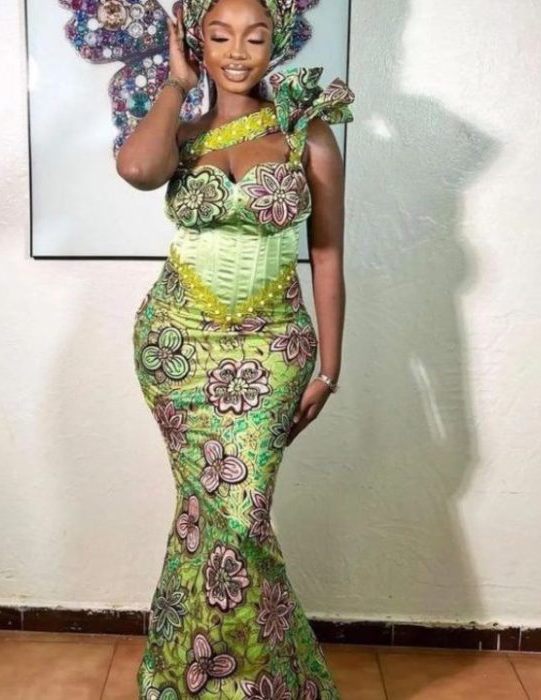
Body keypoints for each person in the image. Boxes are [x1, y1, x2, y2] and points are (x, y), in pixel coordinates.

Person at [117, 0, 354, 697]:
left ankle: (259, 683)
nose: (238, 51)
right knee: (202, 513)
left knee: (240, 517)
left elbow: (329, 257)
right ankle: (190, 678)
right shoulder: (181, 135)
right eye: (220, 36)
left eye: (255, 36)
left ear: (276, 42)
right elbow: (137, 167)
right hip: (176, 346)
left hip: (273, 348)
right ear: (199, 43)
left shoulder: (306, 134)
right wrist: (176, 83)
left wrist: (331, 369)